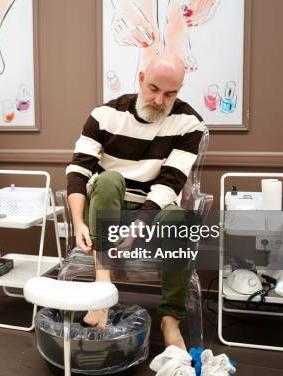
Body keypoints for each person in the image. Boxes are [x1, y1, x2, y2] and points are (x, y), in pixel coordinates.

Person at [66, 54, 204, 352]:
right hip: (107, 208)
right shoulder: (105, 114)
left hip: (153, 208)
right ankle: (103, 290)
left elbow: (170, 182)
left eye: (170, 93)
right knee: (109, 179)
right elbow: (78, 171)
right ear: (141, 79)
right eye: (153, 88)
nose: (158, 99)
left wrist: (140, 224)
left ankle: (170, 321)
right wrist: (78, 222)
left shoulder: (189, 123)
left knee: (182, 222)